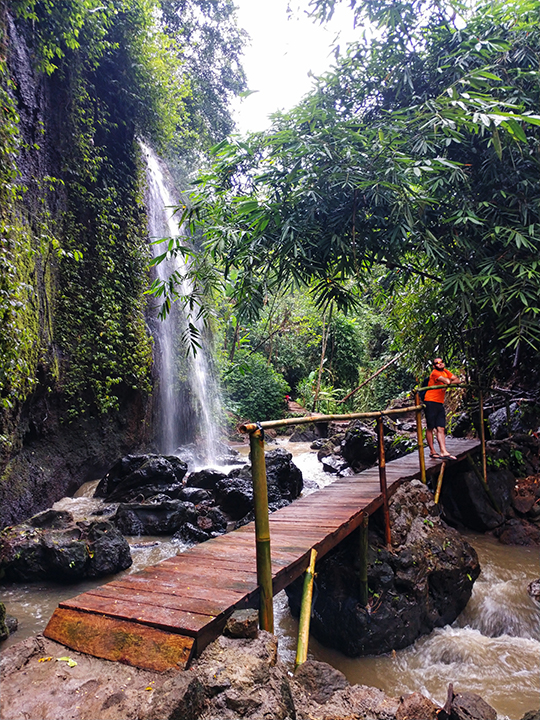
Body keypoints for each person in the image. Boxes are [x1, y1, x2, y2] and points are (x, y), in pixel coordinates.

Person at [424, 357, 460, 460]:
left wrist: (448, 382)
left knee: (441, 427)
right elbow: (448, 381)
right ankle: (432, 451)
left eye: (441, 362)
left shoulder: (445, 372)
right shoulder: (435, 373)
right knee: (431, 426)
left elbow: (457, 380)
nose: (440, 364)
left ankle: (443, 451)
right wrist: (448, 382)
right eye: (437, 363)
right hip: (430, 401)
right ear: (434, 365)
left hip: (439, 402)